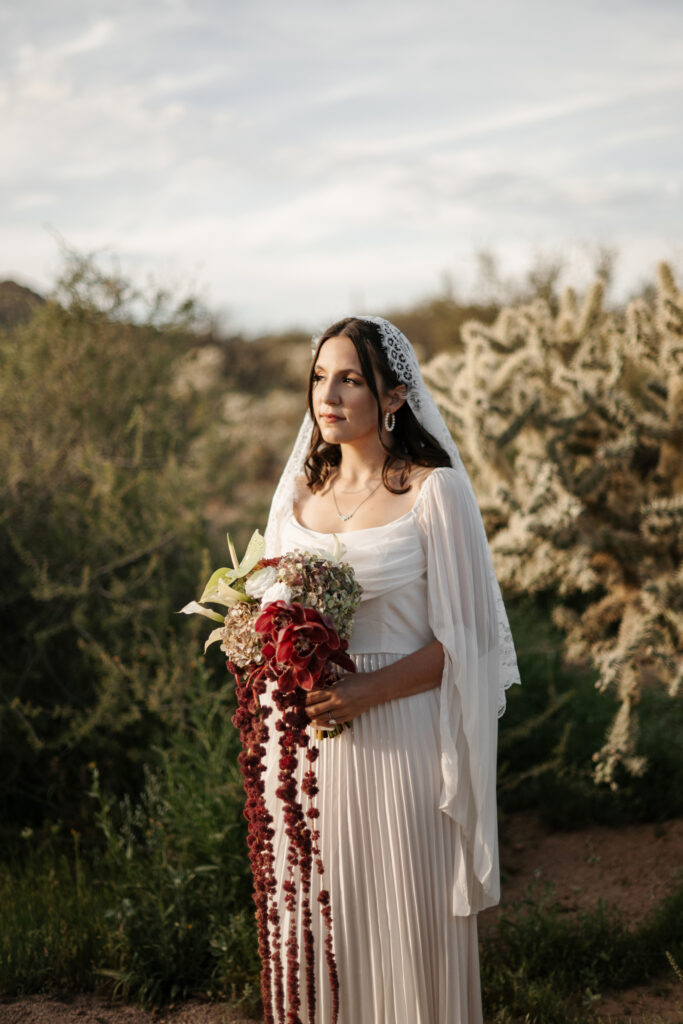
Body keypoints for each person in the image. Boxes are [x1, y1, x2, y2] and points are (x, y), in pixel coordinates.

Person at [262, 316, 521, 1024]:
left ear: (395, 395)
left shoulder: (435, 493)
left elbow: (466, 642)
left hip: (406, 735)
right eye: (320, 377)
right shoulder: (296, 501)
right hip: (313, 748)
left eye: (350, 378)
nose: (329, 393)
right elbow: (269, 617)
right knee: (328, 920)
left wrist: (365, 691)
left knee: (406, 916)